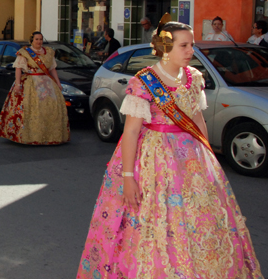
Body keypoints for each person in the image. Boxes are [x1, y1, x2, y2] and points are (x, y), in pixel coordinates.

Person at [76, 20, 262, 278]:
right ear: (165, 47)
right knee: (155, 220)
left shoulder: (194, 77)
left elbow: (197, 120)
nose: (190, 51)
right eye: (184, 45)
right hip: (155, 158)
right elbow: (130, 132)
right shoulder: (144, 82)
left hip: (193, 159)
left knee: (201, 219)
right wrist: (128, 178)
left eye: (192, 45)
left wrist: (210, 160)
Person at [0, 31, 69, 145]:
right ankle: (29, 136)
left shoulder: (48, 52)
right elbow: (18, 68)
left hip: (47, 84)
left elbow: (52, 69)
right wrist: (18, 84)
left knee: (50, 109)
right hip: (30, 83)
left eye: (40, 39)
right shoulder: (25, 53)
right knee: (31, 109)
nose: (39, 41)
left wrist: (58, 83)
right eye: (36, 39)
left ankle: (50, 136)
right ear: (31, 40)